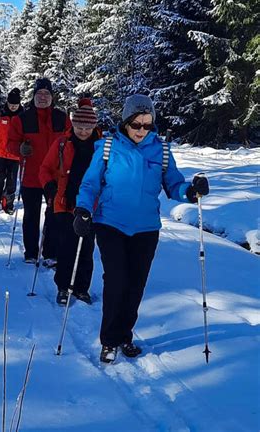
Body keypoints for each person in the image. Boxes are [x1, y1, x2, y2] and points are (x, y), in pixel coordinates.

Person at [74, 94, 210, 364]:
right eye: (137, 124)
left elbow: (174, 185)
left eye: (147, 125)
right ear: (126, 122)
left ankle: (125, 335)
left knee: (136, 284)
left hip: (146, 228)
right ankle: (109, 340)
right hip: (111, 223)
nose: (141, 131)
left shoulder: (161, 150)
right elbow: (90, 185)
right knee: (116, 280)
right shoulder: (107, 147)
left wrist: (191, 192)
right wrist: (83, 209)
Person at [39, 99, 101, 305]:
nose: (83, 131)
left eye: (88, 128)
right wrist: (50, 188)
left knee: (87, 248)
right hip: (65, 203)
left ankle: (82, 288)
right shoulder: (62, 143)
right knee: (66, 247)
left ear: (94, 126)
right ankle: (63, 287)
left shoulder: (102, 147)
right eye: (79, 127)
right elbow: (45, 168)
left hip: (91, 205)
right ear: (73, 125)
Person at [8, 77, 71, 265]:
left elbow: (71, 142)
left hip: (54, 177)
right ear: (34, 96)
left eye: (46, 94)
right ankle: (31, 252)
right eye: (39, 94)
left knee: (53, 215)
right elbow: (10, 144)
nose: (43, 97)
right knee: (31, 215)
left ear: (52, 97)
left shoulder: (62, 118)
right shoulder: (22, 118)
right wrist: (20, 149)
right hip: (31, 175)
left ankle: (50, 252)